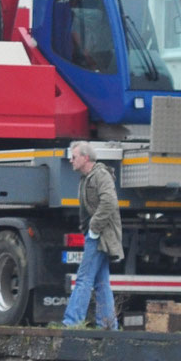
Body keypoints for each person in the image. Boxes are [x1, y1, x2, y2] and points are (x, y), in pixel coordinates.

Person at [59, 141, 121, 330]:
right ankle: (108, 325)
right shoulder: (87, 177)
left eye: (74, 156)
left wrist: (93, 228)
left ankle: (72, 322)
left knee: (84, 278)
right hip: (96, 234)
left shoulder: (100, 175)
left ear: (85, 158)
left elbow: (110, 202)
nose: (70, 160)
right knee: (101, 282)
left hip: (100, 236)